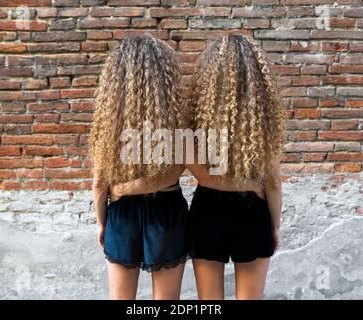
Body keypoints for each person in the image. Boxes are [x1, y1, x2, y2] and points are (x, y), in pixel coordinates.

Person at [185, 34, 286, 300]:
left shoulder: (194, 117)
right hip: (252, 213)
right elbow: (273, 184)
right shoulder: (264, 120)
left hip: (207, 212)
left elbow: (198, 173)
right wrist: (274, 227)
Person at [89, 34, 189, 300]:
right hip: (166, 211)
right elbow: (182, 165)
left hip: (121, 214)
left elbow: (99, 183)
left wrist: (102, 223)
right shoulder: (176, 117)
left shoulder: (108, 121)